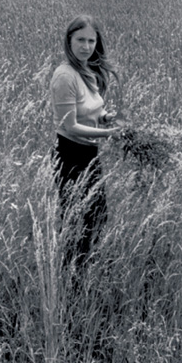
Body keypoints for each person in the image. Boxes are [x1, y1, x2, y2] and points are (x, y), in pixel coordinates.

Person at [49, 15, 122, 267]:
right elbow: (70, 125)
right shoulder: (64, 76)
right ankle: (69, 273)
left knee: (98, 214)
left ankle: (85, 266)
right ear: (69, 41)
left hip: (89, 154)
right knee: (74, 219)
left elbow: (89, 110)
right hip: (69, 154)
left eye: (91, 41)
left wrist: (104, 117)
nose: (86, 46)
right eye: (80, 40)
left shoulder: (87, 71)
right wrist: (108, 134)